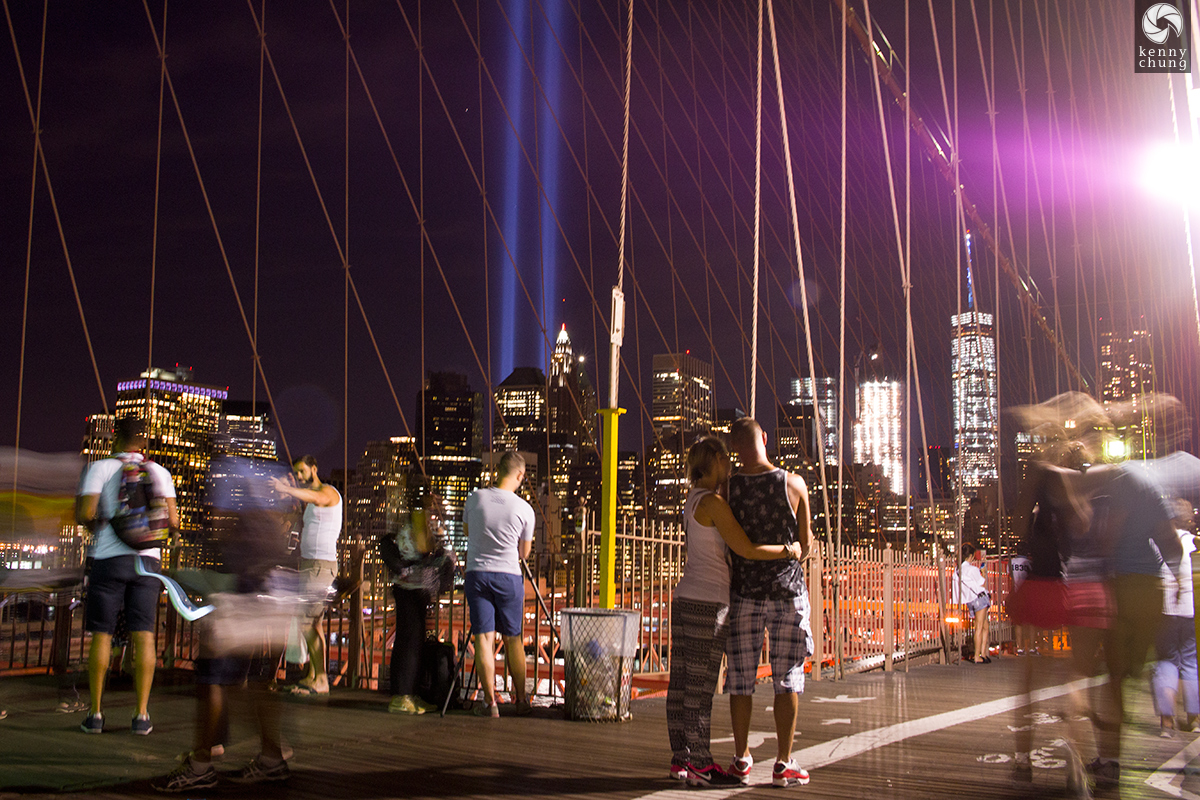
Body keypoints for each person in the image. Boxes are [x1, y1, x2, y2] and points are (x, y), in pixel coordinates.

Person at [667, 436, 802, 788]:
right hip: (708, 603)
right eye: (725, 458)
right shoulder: (713, 502)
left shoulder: (693, 498)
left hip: (684, 597)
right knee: (700, 685)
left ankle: (680, 759)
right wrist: (789, 550)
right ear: (713, 459)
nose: (730, 464)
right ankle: (700, 763)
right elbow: (746, 548)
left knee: (681, 683)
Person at [153, 458, 293, 791]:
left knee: (213, 678)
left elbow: (225, 533)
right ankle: (271, 758)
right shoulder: (267, 494)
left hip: (244, 589)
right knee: (244, 685)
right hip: (268, 587)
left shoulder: (235, 488)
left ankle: (201, 764)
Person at [723, 417, 813, 788]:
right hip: (787, 593)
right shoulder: (793, 484)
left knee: (740, 678)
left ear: (735, 449)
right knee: (788, 677)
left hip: (744, 593)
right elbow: (805, 546)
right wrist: (790, 551)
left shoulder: (727, 490)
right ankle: (783, 762)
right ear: (764, 438)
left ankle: (742, 757)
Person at [75, 415, 178, 735]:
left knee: (103, 635)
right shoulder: (160, 472)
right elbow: (173, 522)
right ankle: (142, 715)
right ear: (143, 442)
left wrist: (100, 525)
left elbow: (85, 514)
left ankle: (95, 713)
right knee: (144, 634)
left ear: (115, 439)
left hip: (109, 559)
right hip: (148, 563)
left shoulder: (101, 468)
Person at [463, 451, 534, 718]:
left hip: (477, 574)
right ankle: (521, 701)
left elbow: (469, 532)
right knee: (513, 638)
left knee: (484, 637)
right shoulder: (523, 509)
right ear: (519, 475)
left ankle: (490, 703)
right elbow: (524, 554)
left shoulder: (475, 498)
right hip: (508, 576)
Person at [271, 454, 342, 695]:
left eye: (303, 471)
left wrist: (288, 489)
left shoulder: (328, 492)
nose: (300, 476)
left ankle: (321, 679)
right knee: (314, 623)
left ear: (314, 468)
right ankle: (313, 675)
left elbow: (316, 496)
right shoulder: (309, 502)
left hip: (321, 566)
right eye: (296, 473)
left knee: (305, 621)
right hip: (310, 565)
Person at [382, 492, 451, 715]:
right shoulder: (419, 518)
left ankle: (406, 695)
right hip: (413, 587)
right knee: (411, 642)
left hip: (404, 586)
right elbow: (423, 546)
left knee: (407, 639)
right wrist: (441, 553)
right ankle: (404, 697)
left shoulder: (405, 519)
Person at [1151, 502, 1198, 738]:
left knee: (1166, 661)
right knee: (1190, 663)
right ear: (1189, 520)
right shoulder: (1194, 544)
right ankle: (1194, 718)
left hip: (1165, 610)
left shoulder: (1157, 543)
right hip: (1189, 611)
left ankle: (1167, 723)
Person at [952, 543, 991, 664]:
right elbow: (982, 585)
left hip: (970, 601)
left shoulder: (957, 570)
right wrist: (983, 573)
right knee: (980, 627)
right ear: (971, 556)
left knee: (985, 626)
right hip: (979, 599)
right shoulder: (972, 569)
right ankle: (977, 656)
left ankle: (983, 653)